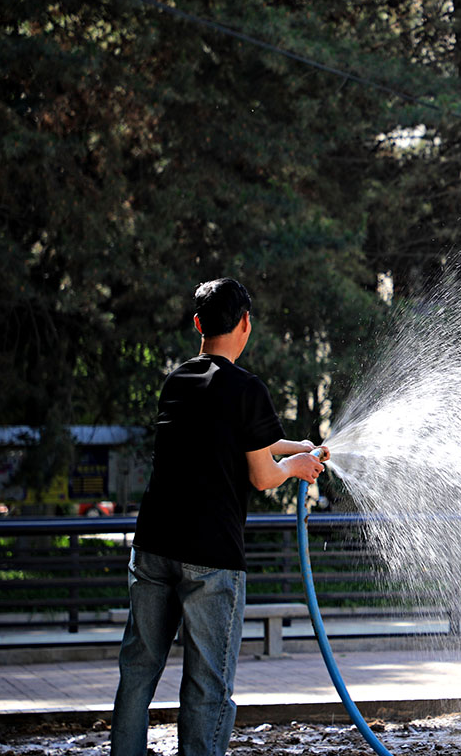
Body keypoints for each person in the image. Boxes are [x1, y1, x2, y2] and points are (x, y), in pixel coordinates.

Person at [110, 277, 327, 756]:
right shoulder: (246, 388)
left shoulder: (178, 381)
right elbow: (262, 475)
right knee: (207, 685)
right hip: (210, 558)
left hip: (153, 548)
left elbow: (249, 441)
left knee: (138, 672)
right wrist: (295, 468)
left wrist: (300, 448)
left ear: (198, 324)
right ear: (245, 324)